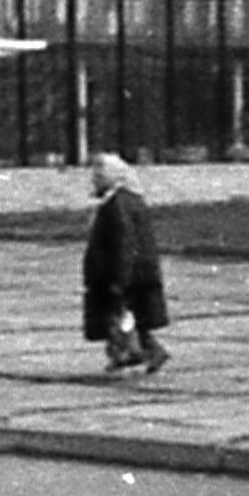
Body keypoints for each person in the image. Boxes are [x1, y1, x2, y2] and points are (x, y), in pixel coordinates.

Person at [81, 152, 167, 374]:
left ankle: (129, 352)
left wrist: (119, 277)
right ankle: (143, 351)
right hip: (135, 271)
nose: (94, 179)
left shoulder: (118, 204)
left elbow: (124, 243)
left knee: (118, 315)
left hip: (125, 273)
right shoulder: (126, 199)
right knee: (131, 316)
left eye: (98, 175)